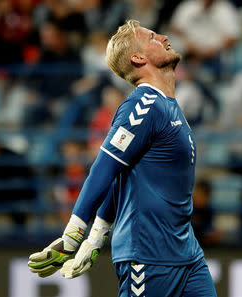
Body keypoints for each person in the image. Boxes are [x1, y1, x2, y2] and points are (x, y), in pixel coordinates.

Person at [28, 20, 217, 297]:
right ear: (138, 58)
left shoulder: (167, 106)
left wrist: (97, 235)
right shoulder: (143, 105)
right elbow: (104, 168)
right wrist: (74, 235)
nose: (164, 37)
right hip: (148, 255)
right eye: (152, 37)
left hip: (187, 255)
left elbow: (122, 176)